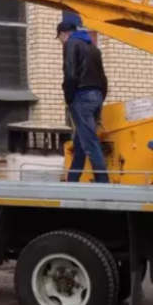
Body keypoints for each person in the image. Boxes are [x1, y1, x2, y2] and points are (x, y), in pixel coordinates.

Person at [57, 13, 110, 184]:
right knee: (80, 144)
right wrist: (100, 97)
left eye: (59, 38)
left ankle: (104, 184)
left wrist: (69, 97)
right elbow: (103, 79)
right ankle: (72, 181)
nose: (60, 42)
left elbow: (70, 74)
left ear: (64, 33)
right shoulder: (93, 47)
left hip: (81, 97)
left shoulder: (71, 44)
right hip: (96, 96)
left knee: (91, 144)